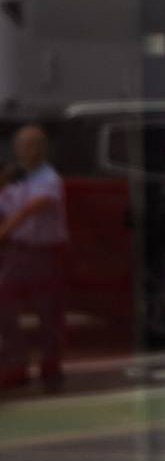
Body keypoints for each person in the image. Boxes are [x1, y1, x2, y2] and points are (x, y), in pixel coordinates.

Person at [0, 124, 69, 392]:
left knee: (47, 312)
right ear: (16, 149)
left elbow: (36, 206)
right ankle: (16, 364)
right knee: (4, 303)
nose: (32, 150)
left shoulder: (49, 178)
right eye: (26, 145)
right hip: (19, 252)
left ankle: (51, 367)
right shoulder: (15, 179)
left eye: (37, 144)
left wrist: (8, 228)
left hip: (46, 253)